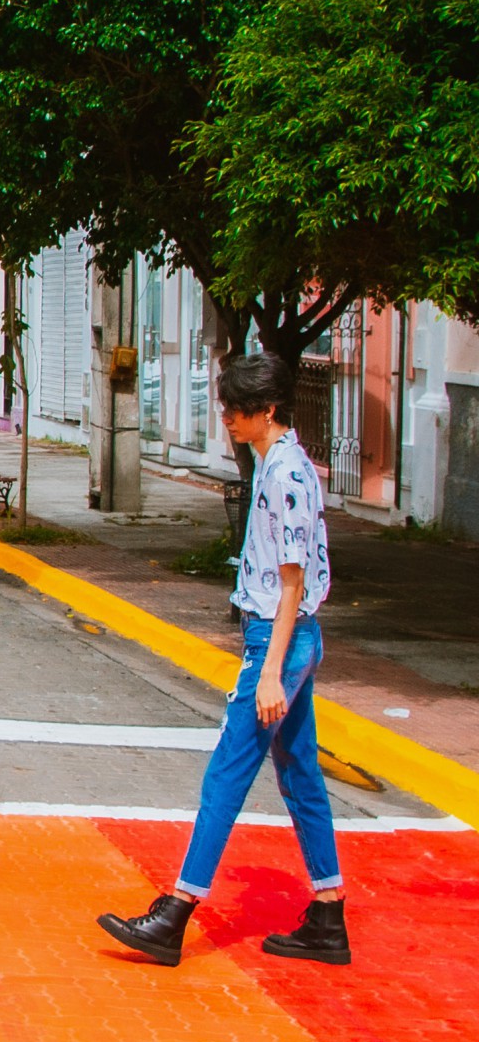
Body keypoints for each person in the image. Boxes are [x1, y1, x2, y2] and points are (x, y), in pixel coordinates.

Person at [98, 352, 346, 968]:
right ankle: (328, 915)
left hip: (279, 640)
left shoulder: (286, 475)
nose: (227, 419)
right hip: (293, 639)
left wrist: (268, 672)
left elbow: (290, 584)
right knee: (299, 774)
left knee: (228, 773)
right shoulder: (277, 461)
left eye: (237, 410)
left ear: (267, 411)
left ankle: (174, 913)